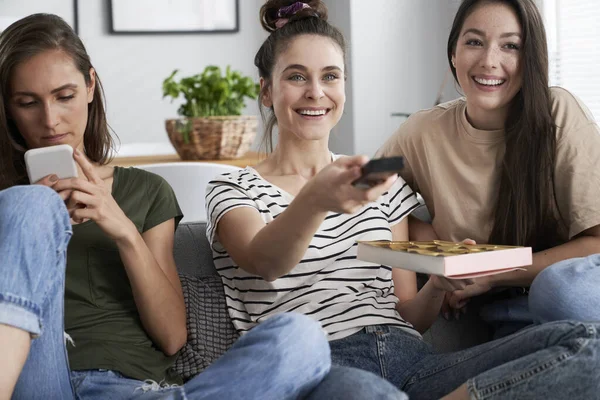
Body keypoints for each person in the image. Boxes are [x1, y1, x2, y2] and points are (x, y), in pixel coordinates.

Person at [206, 1, 600, 399]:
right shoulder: (233, 188)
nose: (315, 92)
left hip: (413, 359)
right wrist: (314, 200)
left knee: (587, 344)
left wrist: (439, 285)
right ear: (266, 91)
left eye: (330, 76)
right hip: (323, 365)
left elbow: (409, 316)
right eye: (296, 76)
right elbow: (266, 262)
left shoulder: (382, 183)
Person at [0, 13, 404, 400]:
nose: (50, 120)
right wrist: (28, 219)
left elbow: (173, 336)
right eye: (27, 102)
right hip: (35, 381)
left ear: (90, 86)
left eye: (64, 96)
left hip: (128, 389)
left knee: (302, 338)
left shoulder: (145, 191)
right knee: (29, 203)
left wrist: (120, 226)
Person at [378, 0, 600, 334]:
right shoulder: (422, 132)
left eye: (510, 46)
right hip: (503, 315)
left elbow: (595, 244)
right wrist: (437, 250)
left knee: (557, 291)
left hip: (567, 294)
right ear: (453, 53)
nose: (489, 61)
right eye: (474, 42)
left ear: (531, 60)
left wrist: (488, 270)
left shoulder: (559, 113)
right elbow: (365, 192)